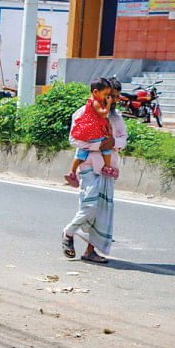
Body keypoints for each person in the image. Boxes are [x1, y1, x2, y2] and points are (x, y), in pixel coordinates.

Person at [62, 77, 125, 264]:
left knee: (103, 212)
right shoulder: (83, 112)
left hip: (108, 167)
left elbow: (123, 138)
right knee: (89, 206)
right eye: (110, 95)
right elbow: (74, 140)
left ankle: (91, 251)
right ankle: (68, 232)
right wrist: (100, 144)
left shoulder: (117, 116)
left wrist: (114, 142)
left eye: (116, 97)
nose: (113, 100)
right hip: (89, 165)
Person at [65, 78, 114, 186]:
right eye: (105, 94)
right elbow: (104, 114)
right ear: (96, 92)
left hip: (86, 135)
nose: (106, 97)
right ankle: (107, 167)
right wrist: (109, 104)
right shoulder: (95, 103)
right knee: (107, 146)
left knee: (81, 153)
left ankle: (71, 172)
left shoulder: (89, 103)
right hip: (94, 135)